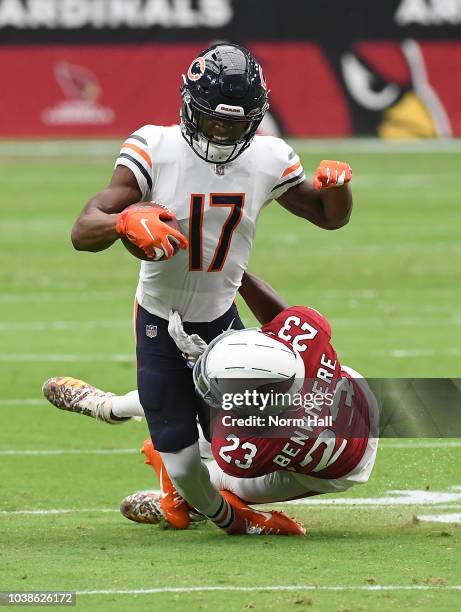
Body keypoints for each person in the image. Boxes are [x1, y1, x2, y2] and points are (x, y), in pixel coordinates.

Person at [67, 42, 353, 535]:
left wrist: (339, 187)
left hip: (222, 318)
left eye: (234, 123)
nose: (222, 132)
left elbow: (328, 218)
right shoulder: (155, 148)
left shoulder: (268, 157)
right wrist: (123, 224)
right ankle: (233, 520)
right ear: (189, 106)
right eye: (214, 120)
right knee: (183, 459)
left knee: (253, 440)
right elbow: (84, 227)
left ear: (255, 118)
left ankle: (114, 408)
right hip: (160, 317)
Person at [44, 273, 378, 533]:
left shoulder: (244, 447)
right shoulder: (306, 343)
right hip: (352, 403)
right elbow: (286, 318)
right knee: (190, 422)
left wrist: (195, 365)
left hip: (334, 469)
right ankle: (111, 409)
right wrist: (235, 273)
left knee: (207, 469)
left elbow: (188, 414)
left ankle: (190, 503)